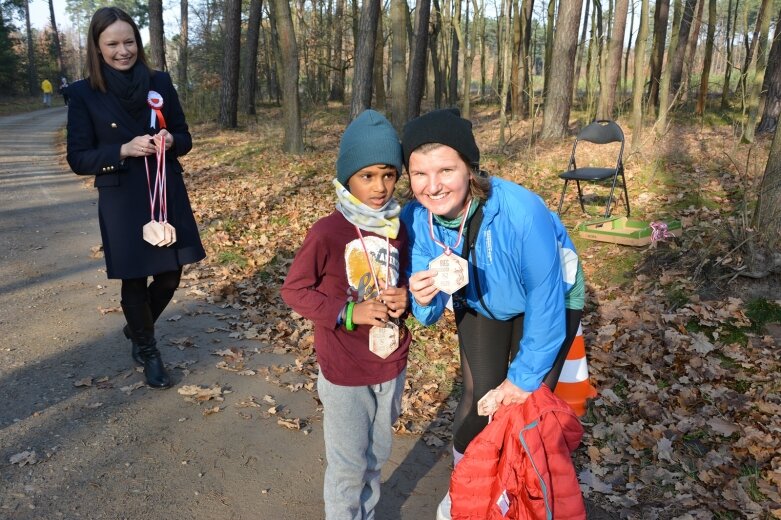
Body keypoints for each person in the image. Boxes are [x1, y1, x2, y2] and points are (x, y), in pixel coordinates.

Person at [399, 108, 584, 520]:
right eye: (419, 174)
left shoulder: (521, 211)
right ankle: (466, 488)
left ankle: (522, 495)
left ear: (470, 168)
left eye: (446, 170)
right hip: (482, 300)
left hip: (552, 300)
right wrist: (423, 296)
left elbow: (545, 300)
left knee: (527, 403)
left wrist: (520, 379)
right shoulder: (414, 218)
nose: (433, 186)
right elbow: (427, 314)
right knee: (479, 393)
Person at [281, 109, 411, 519]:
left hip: (390, 363)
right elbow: (295, 291)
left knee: (376, 458)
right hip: (344, 367)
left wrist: (405, 297)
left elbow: (405, 278)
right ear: (347, 177)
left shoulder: (399, 227)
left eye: (389, 174)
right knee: (348, 468)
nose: (380, 187)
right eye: (368, 175)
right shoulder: (327, 232)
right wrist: (348, 312)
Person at [66, 7, 205, 389]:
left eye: (129, 42)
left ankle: (135, 328)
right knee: (133, 277)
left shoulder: (159, 81)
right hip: (121, 196)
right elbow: (78, 157)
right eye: (112, 43)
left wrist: (172, 140)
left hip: (165, 188)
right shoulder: (82, 93)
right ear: (97, 46)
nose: (123, 50)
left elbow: (185, 135)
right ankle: (148, 350)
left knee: (171, 273)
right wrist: (123, 149)